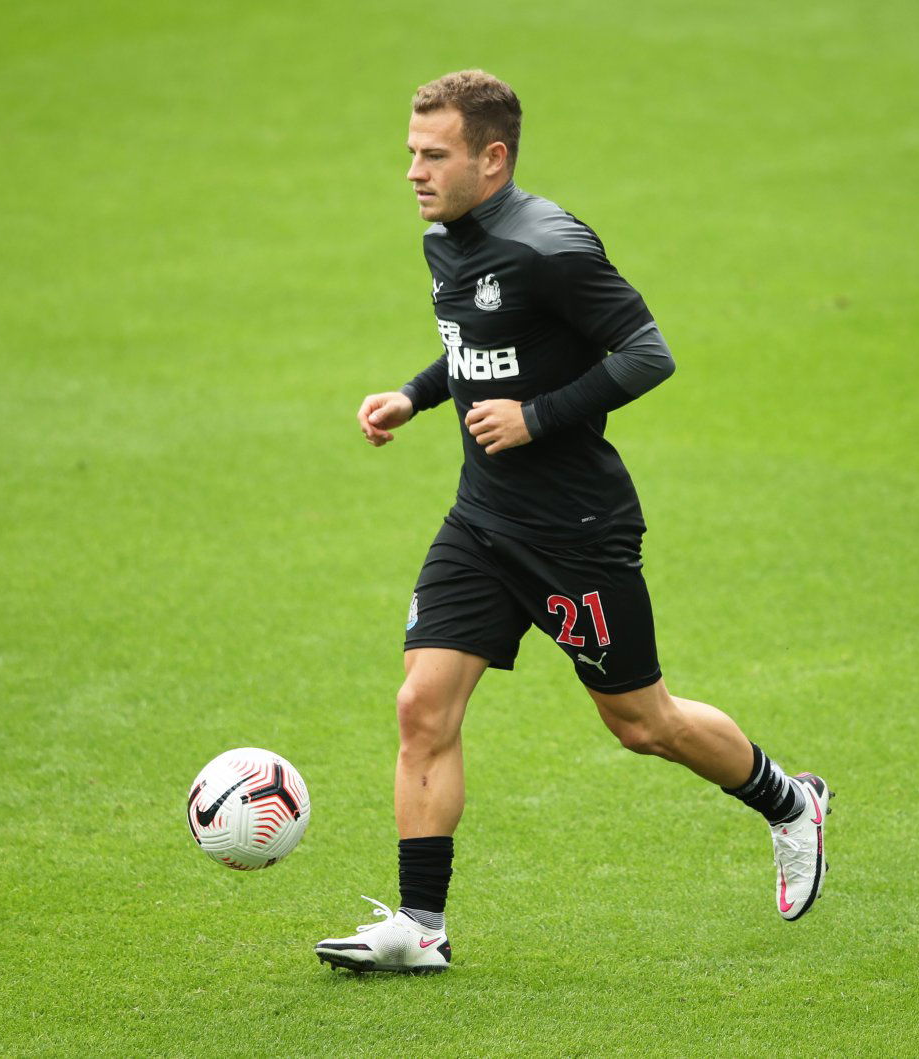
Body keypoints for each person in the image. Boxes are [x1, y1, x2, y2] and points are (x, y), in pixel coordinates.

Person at [315, 70, 831, 975]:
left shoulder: (549, 245)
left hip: (575, 530)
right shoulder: (446, 236)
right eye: (410, 152)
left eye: (434, 155)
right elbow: (478, 349)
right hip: (482, 520)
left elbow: (646, 352)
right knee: (421, 706)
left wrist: (536, 418)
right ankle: (420, 925)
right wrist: (413, 394)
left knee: (641, 722)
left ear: (493, 156)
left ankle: (791, 802)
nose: (414, 171)